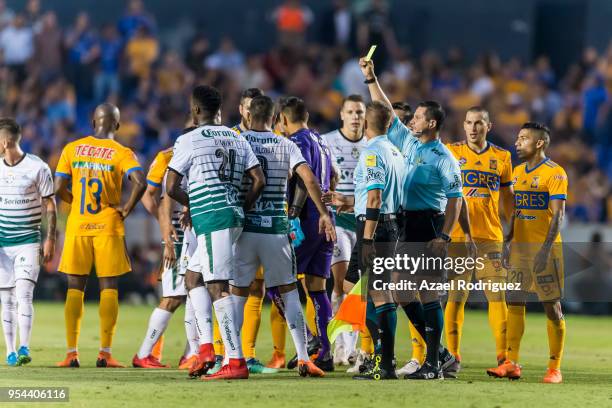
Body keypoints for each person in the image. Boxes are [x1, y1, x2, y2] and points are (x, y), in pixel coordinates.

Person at [360, 57, 461, 380]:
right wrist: (371, 79)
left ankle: (434, 364)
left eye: (417, 117)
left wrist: (443, 237)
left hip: (428, 223)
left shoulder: (445, 158)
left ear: (431, 123)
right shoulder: (410, 143)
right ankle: (439, 354)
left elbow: (457, 200)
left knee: (428, 292)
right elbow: (384, 112)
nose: (412, 121)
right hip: (406, 223)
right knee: (403, 293)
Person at [166, 85, 265, 380]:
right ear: (219, 110)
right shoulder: (236, 137)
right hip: (232, 215)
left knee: (217, 286)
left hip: (212, 216)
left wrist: (193, 205)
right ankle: (206, 349)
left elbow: (170, 187)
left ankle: (235, 361)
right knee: (192, 277)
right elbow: (257, 179)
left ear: (195, 110)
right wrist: (240, 204)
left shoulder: (189, 139)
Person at [233, 95, 335, 377]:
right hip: (277, 231)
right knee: (291, 292)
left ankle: (234, 357)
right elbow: (310, 179)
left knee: (238, 293)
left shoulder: (239, 142)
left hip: (247, 229)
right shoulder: (286, 143)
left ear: (249, 115)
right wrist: (324, 213)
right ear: (274, 117)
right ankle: (305, 357)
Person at [55, 103, 146, 368]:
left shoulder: (71, 149)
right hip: (108, 224)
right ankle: (104, 354)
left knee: (75, 287)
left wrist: (74, 202)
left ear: (93, 122)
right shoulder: (121, 152)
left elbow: (58, 185)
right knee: (109, 287)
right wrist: (126, 209)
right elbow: (139, 182)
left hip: (78, 224)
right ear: (117, 126)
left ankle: (71, 353)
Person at [324, 100, 405, 380]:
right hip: (386, 223)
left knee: (379, 295)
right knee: (353, 287)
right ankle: (383, 356)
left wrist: (367, 239)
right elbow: (375, 194)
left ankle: (384, 361)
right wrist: (348, 201)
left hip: (375, 230)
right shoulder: (394, 151)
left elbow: (375, 196)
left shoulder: (372, 152)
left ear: (368, 124)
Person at [487, 122, 568, 384]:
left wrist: (545, 250)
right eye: (518, 138)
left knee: (551, 307)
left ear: (539, 143)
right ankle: (511, 363)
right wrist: (509, 239)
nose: (517, 143)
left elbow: (558, 215)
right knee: (515, 301)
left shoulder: (555, 173)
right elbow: (516, 213)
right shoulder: (518, 172)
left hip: (546, 251)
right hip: (520, 251)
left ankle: (554, 367)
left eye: (523, 139)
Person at [443, 107, 514, 375]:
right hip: (459, 237)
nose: (474, 128)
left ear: (489, 126)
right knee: (457, 296)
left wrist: (513, 227)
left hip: (491, 237)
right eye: (470, 123)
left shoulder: (502, 157)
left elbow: (508, 197)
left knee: (497, 296)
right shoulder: (451, 151)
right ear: (464, 125)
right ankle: (452, 356)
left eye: (479, 123)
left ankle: (503, 358)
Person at [132, 142, 200, 370]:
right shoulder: (170, 157)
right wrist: (165, 225)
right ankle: (144, 354)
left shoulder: (179, 153)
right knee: (174, 296)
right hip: (179, 233)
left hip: (193, 230)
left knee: (195, 293)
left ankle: (191, 354)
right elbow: (154, 195)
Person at [281, 96, 336, 371]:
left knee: (277, 283)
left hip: (307, 220)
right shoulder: (321, 140)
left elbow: (305, 178)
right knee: (317, 288)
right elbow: (333, 176)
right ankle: (325, 353)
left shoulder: (297, 141)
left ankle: (309, 340)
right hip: (327, 218)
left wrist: (293, 214)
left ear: (282, 119)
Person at [0, 118, 56, 366]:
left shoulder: (38, 168)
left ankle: (24, 347)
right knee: (6, 298)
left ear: (5, 142)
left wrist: (50, 239)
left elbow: (51, 205)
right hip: (3, 244)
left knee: (24, 293)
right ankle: (10, 351)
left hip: (28, 240)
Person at [321, 94, 368, 366]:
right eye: (350, 112)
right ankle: (340, 344)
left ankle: (350, 347)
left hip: (362, 222)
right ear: (341, 115)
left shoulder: (371, 144)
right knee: (339, 286)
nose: (355, 117)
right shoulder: (328, 141)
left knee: (356, 289)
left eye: (359, 112)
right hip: (338, 221)